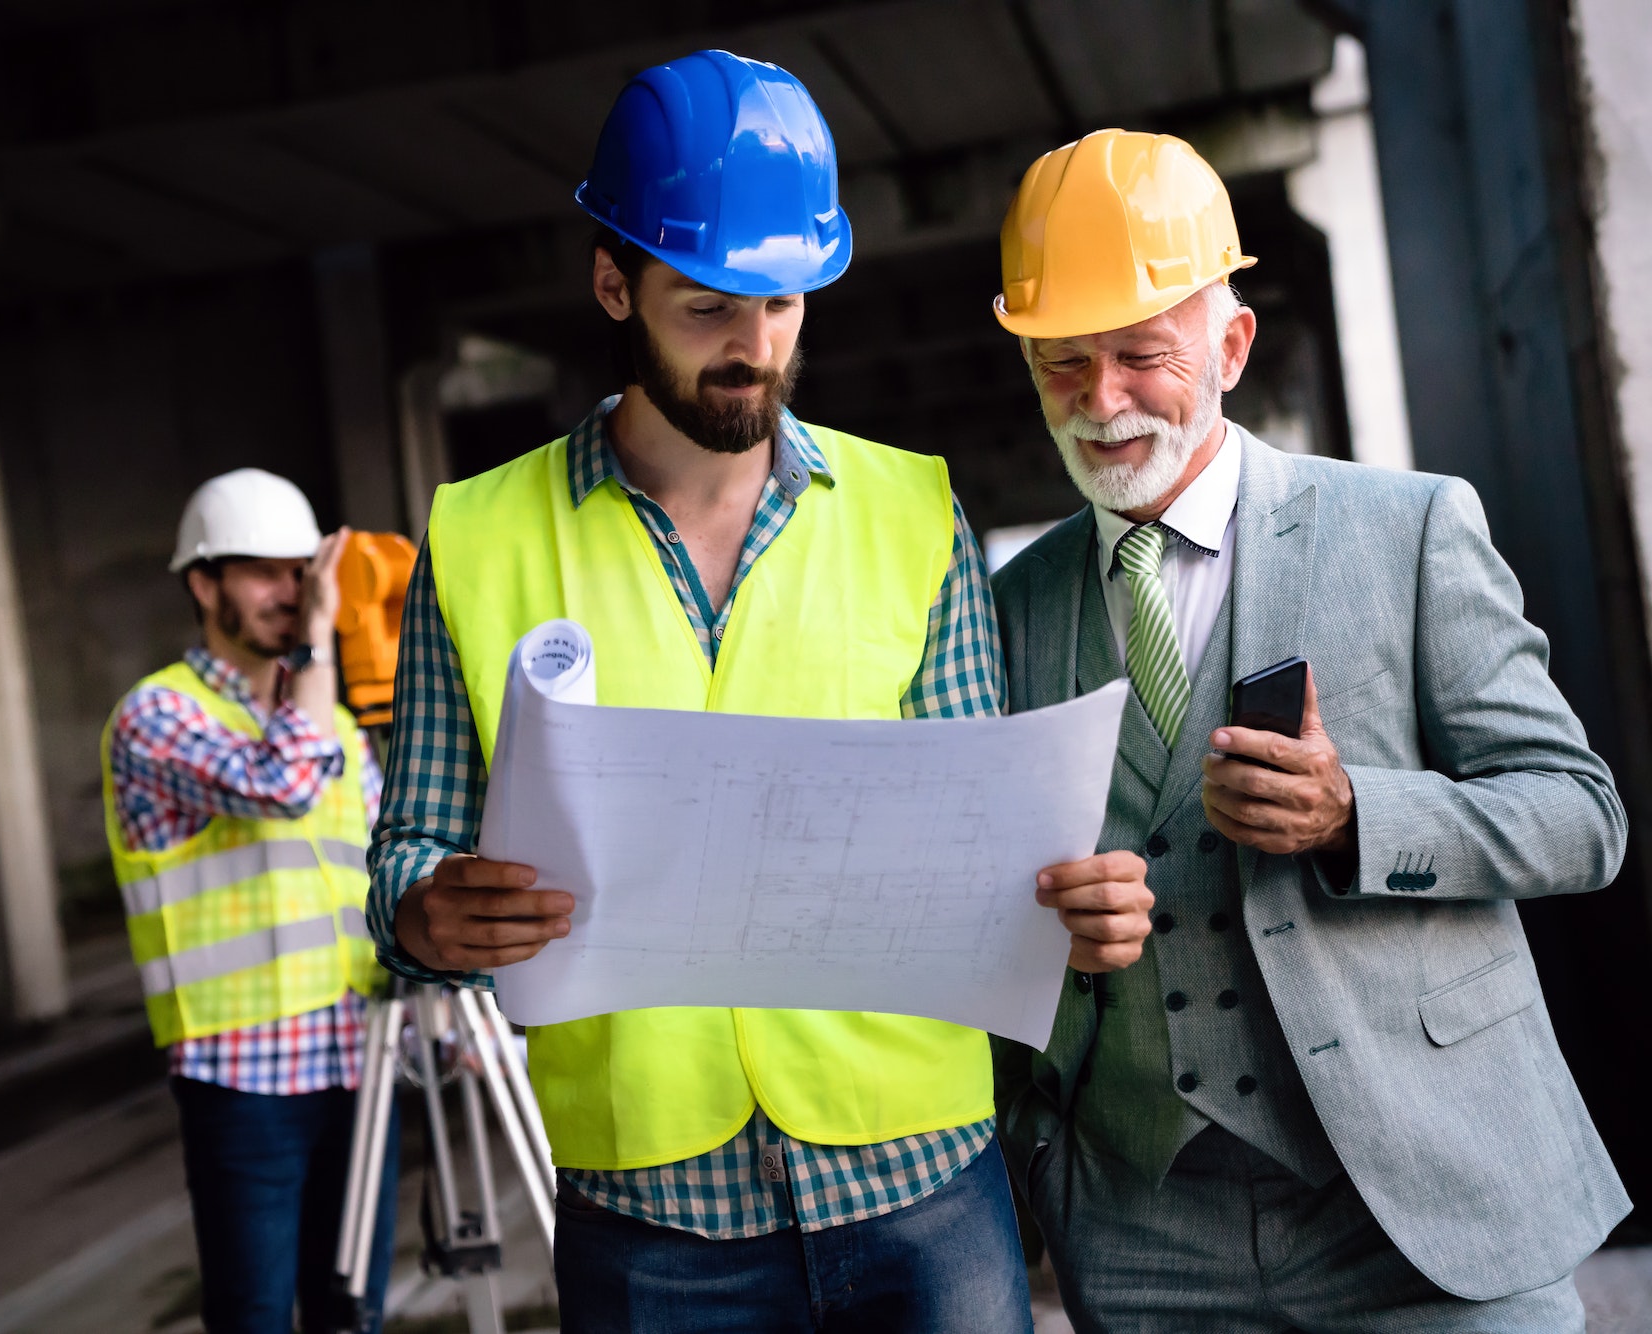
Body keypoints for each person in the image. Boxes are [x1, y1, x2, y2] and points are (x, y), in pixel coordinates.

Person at [367, 51, 1154, 1333]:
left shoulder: (912, 510)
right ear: (613, 282)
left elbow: (977, 839)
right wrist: (427, 914)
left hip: (917, 1179)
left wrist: (1063, 892)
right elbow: (408, 851)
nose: (754, 348)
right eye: (708, 308)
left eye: (783, 304)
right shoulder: (476, 535)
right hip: (650, 1205)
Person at [988, 128, 1631, 1332]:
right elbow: (977, 898)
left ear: (1229, 346)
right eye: (1060, 364)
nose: (1102, 400)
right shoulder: (1007, 611)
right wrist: (1040, 935)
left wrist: (1356, 814)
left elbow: (1578, 814)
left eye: (1139, 354)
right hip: (1143, 1238)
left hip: (1420, 1207)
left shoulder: (1410, 529)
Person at [100, 468, 399, 1333]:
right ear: (204, 583)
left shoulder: (337, 724)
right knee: (255, 1318)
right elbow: (285, 786)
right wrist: (316, 648)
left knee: (354, 1318)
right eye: (264, 572)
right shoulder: (157, 714)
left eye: (303, 570)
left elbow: (377, 876)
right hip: (244, 1080)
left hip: (357, 1064)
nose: (293, 593)